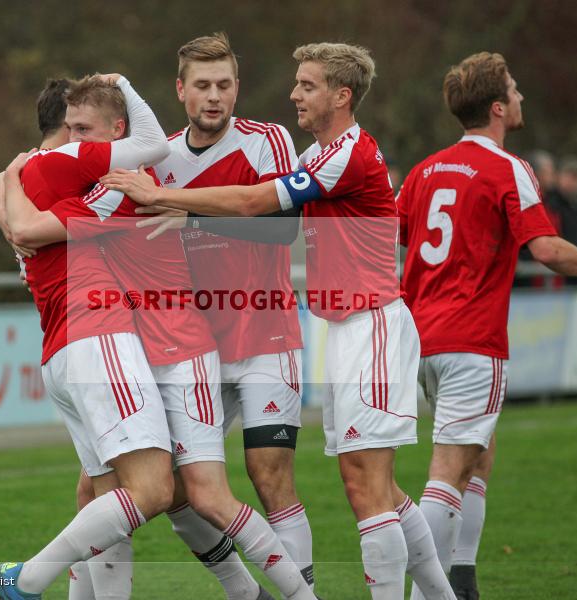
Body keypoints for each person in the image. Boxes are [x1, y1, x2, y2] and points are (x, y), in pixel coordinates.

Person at [103, 42, 453, 600]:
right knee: (173, 489)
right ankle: (255, 591)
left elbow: (274, 221)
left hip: (275, 335)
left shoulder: (277, 142)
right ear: (180, 90)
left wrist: (184, 210)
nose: (214, 96)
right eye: (202, 85)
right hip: (203, 345)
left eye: (224, 84)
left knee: (286, 479)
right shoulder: (168, 156)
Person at [2, 74, 312, 600]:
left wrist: (11, 178)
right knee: (111, 493)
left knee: (205, 497)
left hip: (182, 353)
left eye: (86, 129)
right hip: (138, 354)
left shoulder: (120, 189)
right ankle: (248, 593)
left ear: (117, 131)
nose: (75, 141)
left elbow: (28, 231)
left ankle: (295, 596)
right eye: (70, 128)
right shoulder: (114, 182)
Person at [395, 52, 577, 600]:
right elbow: (544, 247)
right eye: (516, 91)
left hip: (419, 338)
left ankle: (464, 579)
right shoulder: (508, 168)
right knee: (447, 473)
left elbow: (393, 243)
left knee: (480, 451)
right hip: (472, 341)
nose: (522, 98)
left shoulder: (425, 169)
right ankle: (419, 594)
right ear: (498, 107)